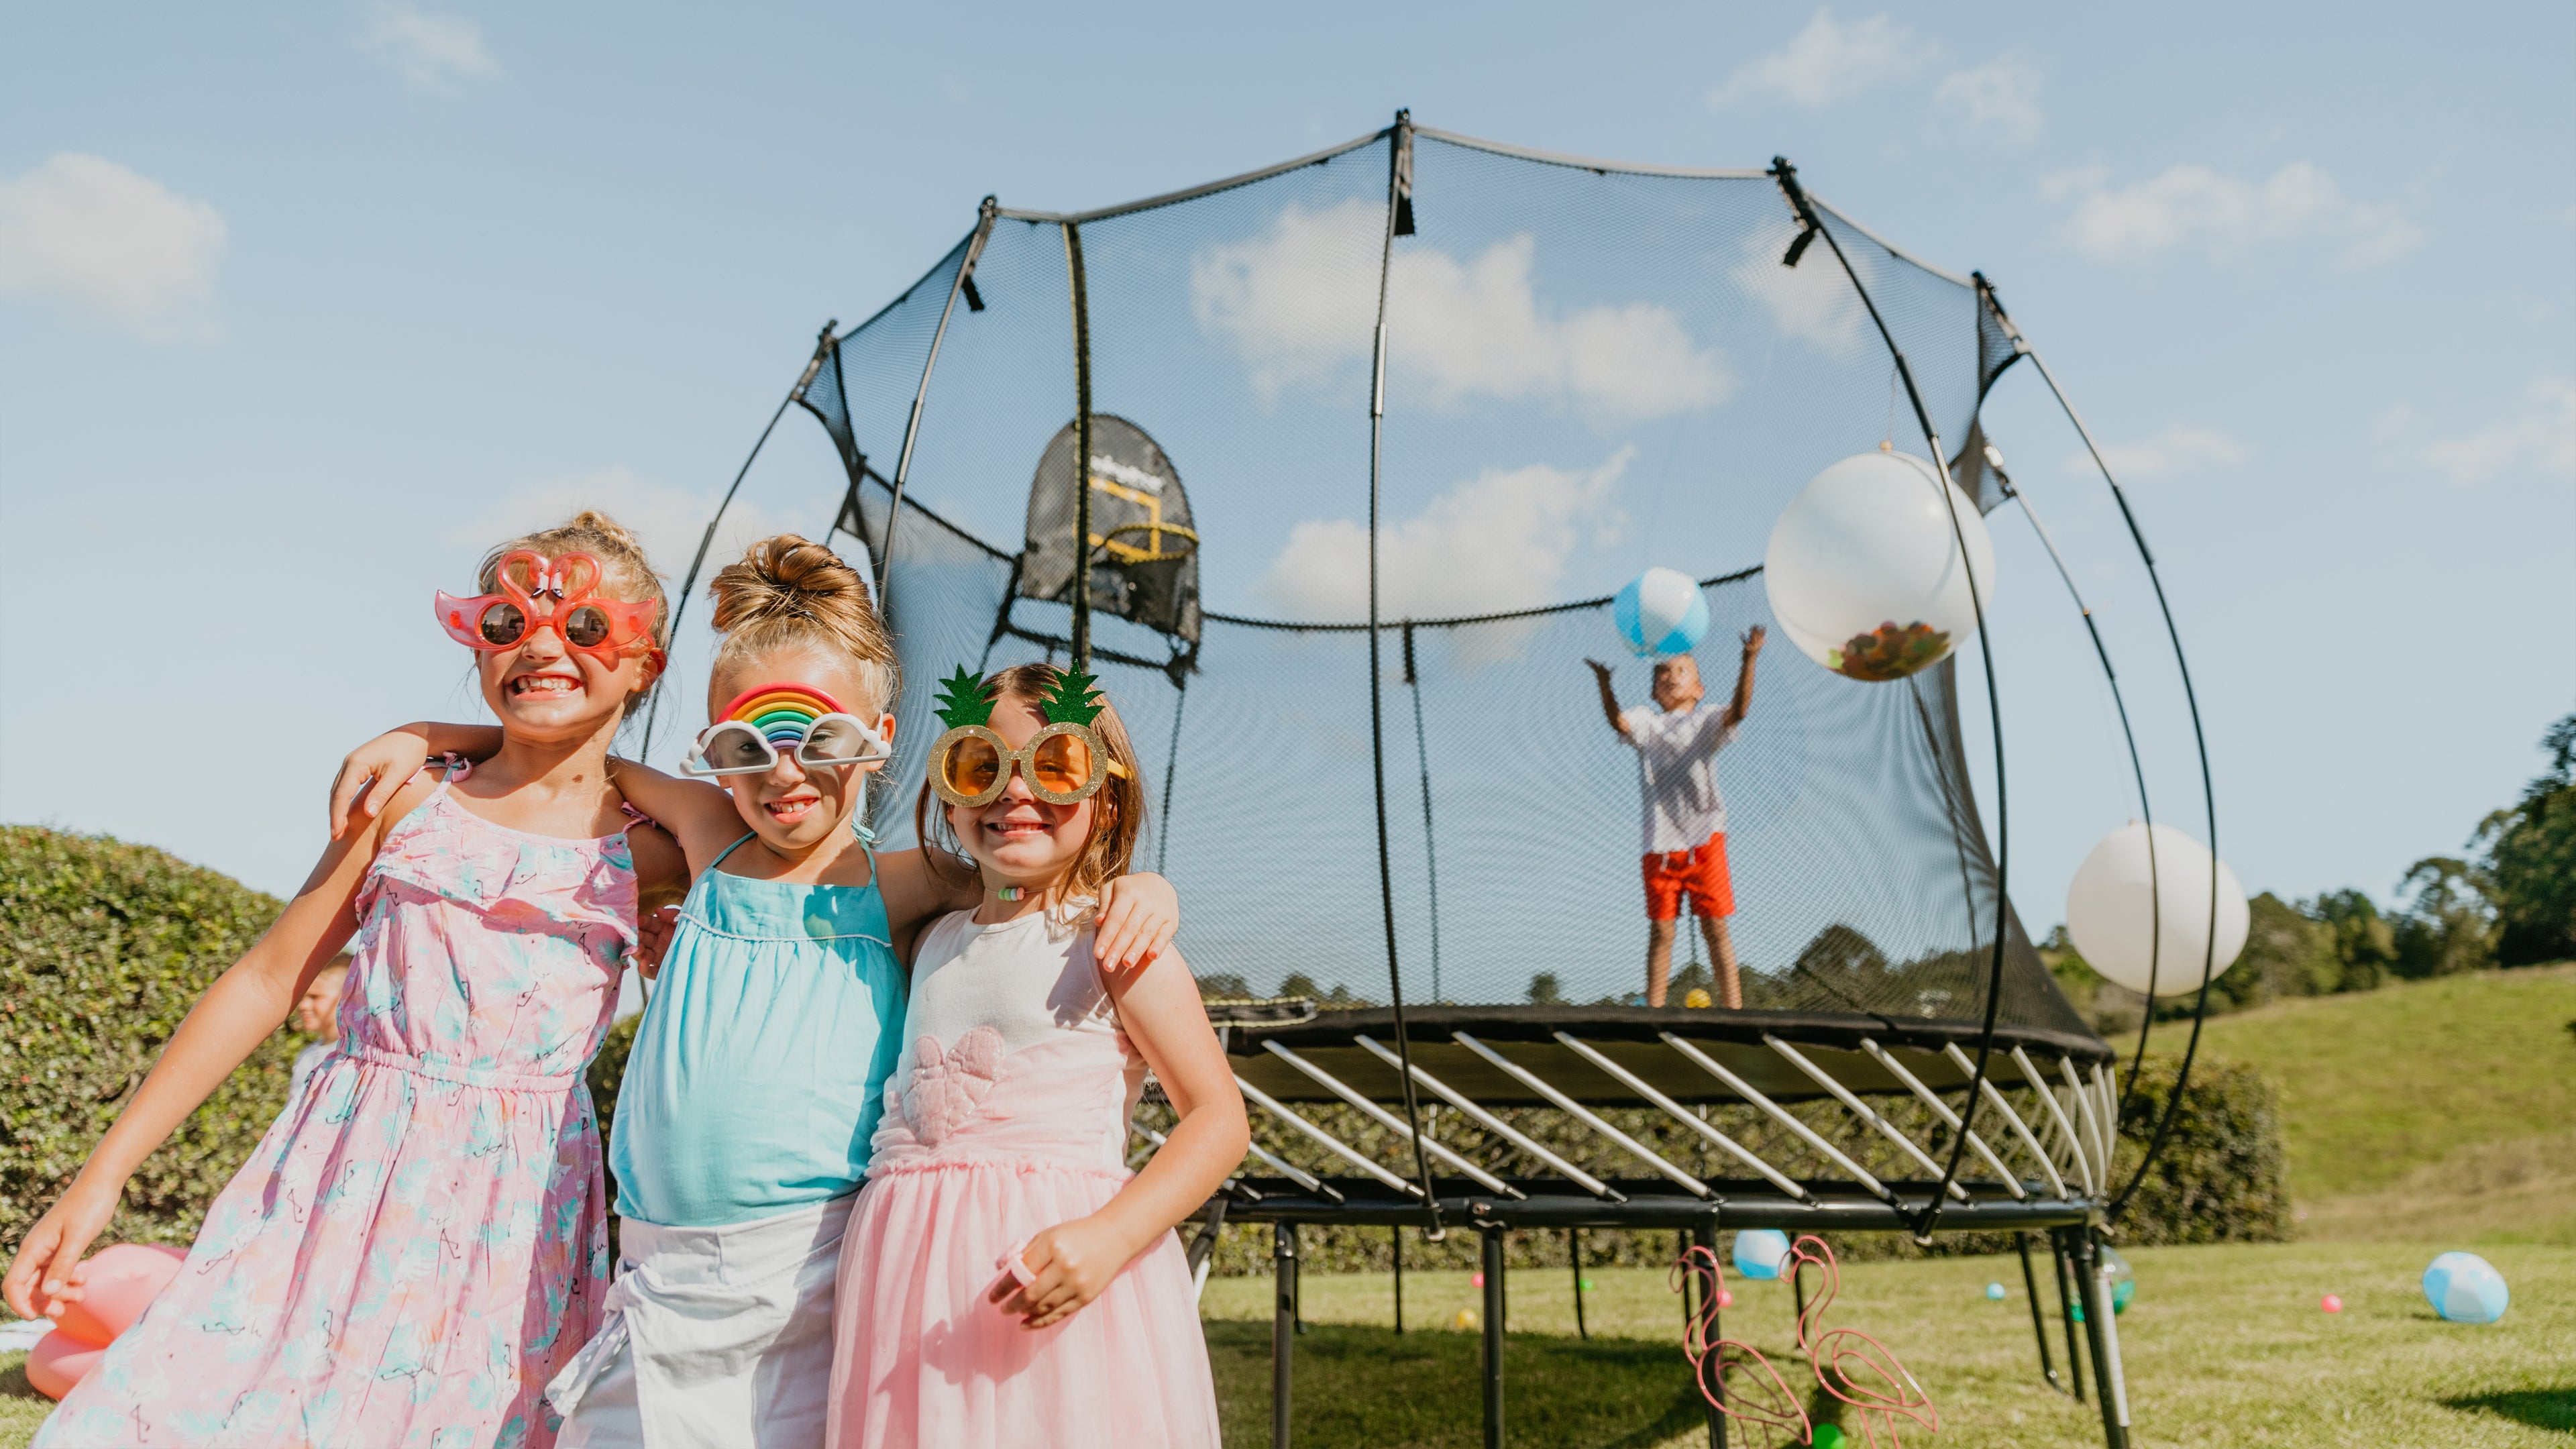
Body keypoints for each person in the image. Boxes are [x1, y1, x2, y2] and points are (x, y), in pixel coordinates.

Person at [328, 536, 1181, 1448]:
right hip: (657, 1274)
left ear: (880, 741)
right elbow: (583, 756)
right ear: (714, 754)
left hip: (809, 1270)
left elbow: (1035, 882)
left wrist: (1144, 887)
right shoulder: (709, 836)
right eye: (745, 745)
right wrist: (431, 736)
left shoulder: (910, 884)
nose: (784, 772)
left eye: (824, 741)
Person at [9, 512, 690, 1448]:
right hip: (338, 1177)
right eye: (507, 624)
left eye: (583, 627)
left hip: (516, 1214)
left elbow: (765, 833)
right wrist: (102, 1177)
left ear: (646, 663)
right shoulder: (407, 800)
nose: (540, 647)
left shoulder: (658, 849)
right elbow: (265, 981)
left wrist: (427, 727)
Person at [825, 663, 1244, 1449]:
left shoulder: (1116, 945)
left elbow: (1218, 1118)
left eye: (1056, 766)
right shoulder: (927, 942)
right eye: (980, 766)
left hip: (1054, 1272)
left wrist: (1111, 1237)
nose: (1016, 790)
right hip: (908, 1292)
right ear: (949, 795)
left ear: (1106, 799)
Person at [1586, 625, 1766, 1009]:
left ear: (1699, 689)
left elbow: (1739, 711)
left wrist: (1749, 659)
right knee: (1662, 931)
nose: (1670, 676)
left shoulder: (1707, 721)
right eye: (1662, 672)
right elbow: (1619, 722)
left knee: (1715, 926)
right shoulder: (1647, 723)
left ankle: (1734, 1010)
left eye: (1681, 670)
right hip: (1660, 846)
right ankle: (1654, 1013)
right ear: (1654, 692)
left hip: (1705, 840)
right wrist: (1605, 685)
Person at [282, 956, 349, 1105]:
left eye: (315, 997)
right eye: (302, 997)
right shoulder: (306, 1056)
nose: (303, 1006)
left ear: (346, 998)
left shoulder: (353, 1058)